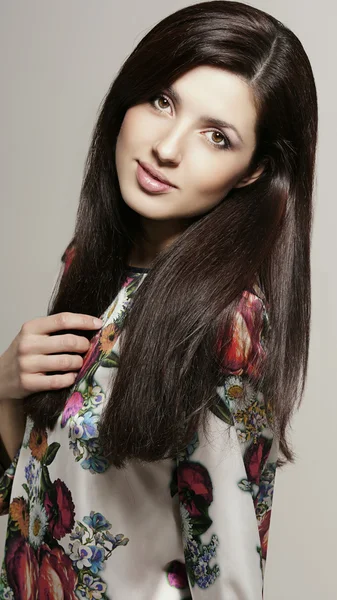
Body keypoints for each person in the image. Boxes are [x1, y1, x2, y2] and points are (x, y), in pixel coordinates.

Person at [0, 1, 318, 598]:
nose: (168, 147)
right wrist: (5, 386)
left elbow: (229, 575)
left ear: (251, 171)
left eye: (217, 136)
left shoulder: (228, 323)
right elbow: (30, 499)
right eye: (163, 101)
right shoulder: (92, 264)